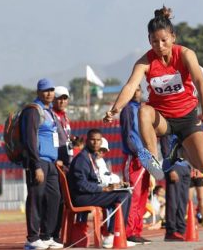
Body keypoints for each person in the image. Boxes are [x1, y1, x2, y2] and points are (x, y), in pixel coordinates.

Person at [103, 7, 203, 180]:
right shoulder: (145, 62)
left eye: (164, 40)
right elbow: (130, 86)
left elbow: (200, 81)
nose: (160, 46)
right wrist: (115, 109)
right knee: (143, 111)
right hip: (162, 118)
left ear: (173, 37)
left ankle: (178, 150)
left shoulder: (186, 54)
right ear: (149, 41)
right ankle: (153, 160)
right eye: (154, 41)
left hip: (187, 117)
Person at [67, 129, 134, 249]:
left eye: (98, 140)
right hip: (82, 197)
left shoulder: (91, 157)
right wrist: (104, 189)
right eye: (93, 140)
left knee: (125, 192)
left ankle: (117, 233)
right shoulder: (82, 159)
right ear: (87, 140)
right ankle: (111, 235)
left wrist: (114, 186)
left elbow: (95, 180)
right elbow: (81, 185)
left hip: (89, 194)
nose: (96, 143)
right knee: (123, 196)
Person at [21, 78, 64, 250]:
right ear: (38, 92)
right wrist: (36, 164)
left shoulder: (50, 112)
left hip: (51, 163)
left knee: (54, 198)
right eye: (46, 90)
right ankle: (32, 238)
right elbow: (30, 138)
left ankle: (46, 235)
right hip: (38, 162)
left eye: (52, 90)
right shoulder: (33, 110)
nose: (49, 93)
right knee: (35, 198)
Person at [120, 87, 151, 245]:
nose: (136, 93)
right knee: (134, 194)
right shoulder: (127, 109)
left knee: (144, 194)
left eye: (138, 89)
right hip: (134, 156)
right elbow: (128, 135)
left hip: (146, 154)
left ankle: (137, 231)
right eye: (133, 90)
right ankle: (129, 231)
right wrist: (137, 152)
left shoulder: (143, 109)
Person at [51, 86, 73, 245]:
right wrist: (55, 159)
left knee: (62, 200)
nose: (62, 101)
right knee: (55, 199)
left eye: (65, 98)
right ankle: (52, 234)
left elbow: (66, 140)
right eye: (59, 98)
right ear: (53, 99)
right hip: (56, 162)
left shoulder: (65, 117)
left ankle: (58, 234)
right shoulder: (51, 116)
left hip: (66, 163)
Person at [163, 135, 191, 242]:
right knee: (173, 202)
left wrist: (195, 165)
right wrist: (170, 169)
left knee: (183, 201)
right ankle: (171, 231)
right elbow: (165, 149)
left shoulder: (184, 128)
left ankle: (181, 229)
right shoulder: (167, 130)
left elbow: (191, 147)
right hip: (174, 167)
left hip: (186, 167)